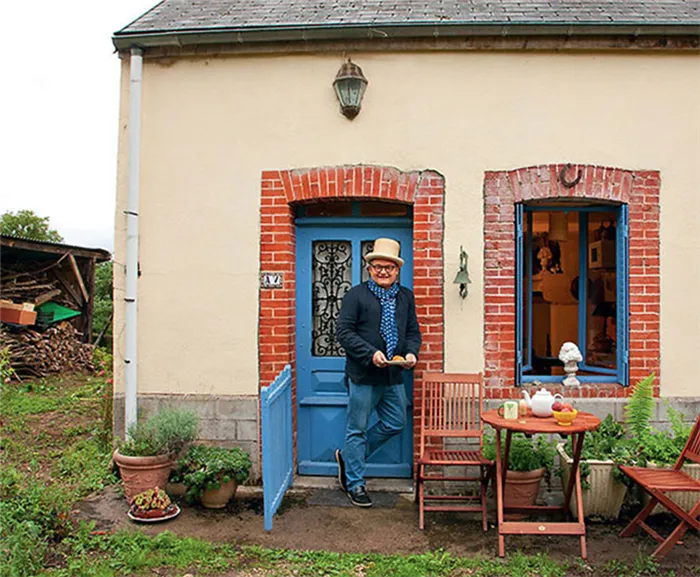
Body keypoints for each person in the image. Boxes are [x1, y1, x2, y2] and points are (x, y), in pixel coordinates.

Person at [334, 237, 422, 507]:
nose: (383, 271)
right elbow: (344, 333)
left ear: (397, 270)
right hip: (363, 376)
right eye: (377, 266)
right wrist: (370, 354)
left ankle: (349, 459)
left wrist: (410, 353)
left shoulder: (405, 296)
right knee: (356, 430)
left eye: (389, 267)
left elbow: (411, 332)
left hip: (393, 376)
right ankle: (355, 483)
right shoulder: (356, 295)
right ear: (369, 268)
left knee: (396, 422)